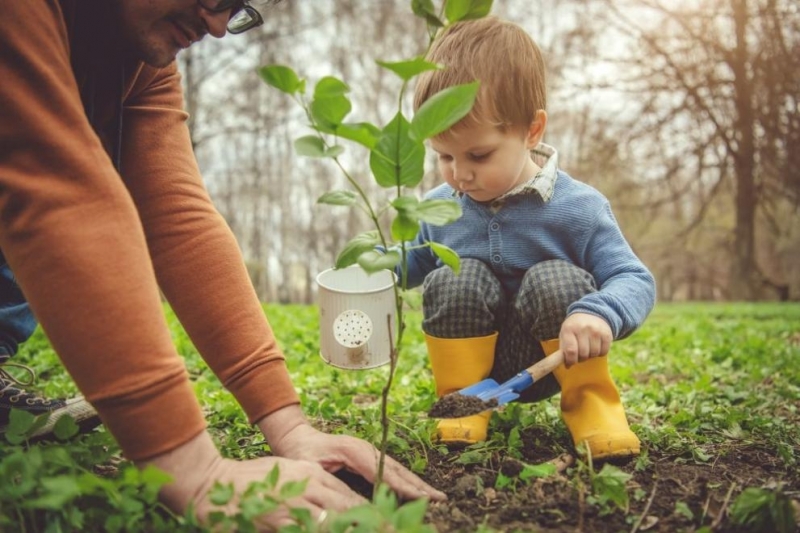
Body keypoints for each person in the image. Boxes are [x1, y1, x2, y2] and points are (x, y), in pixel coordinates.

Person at [0, 0, 445, 528]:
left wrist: (289, 428)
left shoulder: (141, 55)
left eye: (235, 9)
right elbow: (54, 191)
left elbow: (176, 216)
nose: (216, 26)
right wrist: (193, 467)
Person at [405, 16, 656, 460]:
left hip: (557, 359)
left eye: (478, 155)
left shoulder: (579, 207)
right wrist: (373, 268)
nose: (459, 174)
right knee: (453, 276)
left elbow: (634, 278)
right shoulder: (442, 205)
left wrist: (600, 315)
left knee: (553, 278)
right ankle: (464, 405)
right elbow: (415, 260)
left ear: (531, 131)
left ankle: (592, 407)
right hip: (475, 361)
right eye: (443, 155)